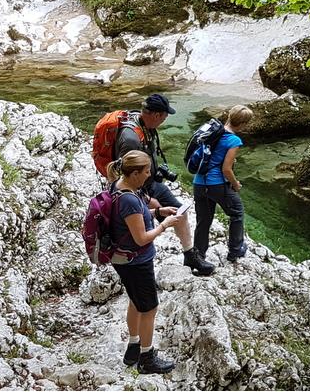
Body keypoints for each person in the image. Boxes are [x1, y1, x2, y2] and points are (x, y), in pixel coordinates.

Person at [115, 94, 215, 276]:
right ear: (155, 115)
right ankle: (139, 267)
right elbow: (125, 176)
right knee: (145, 223)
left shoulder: (145, 127)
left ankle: (190, 255)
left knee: (180, 212)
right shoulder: (131, 138)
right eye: (164, 116)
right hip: (137, 191)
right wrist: (146, 199)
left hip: (150, 183)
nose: (165, 119)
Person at [106, 150, 177, 374]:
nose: (149, 175)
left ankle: (133, 346)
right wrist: (165, 224)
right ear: (135, 173)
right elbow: (142, 238)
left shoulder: (119, 186)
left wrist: (158, 211)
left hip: (124, 259)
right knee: (150, 308)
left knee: (135, 300)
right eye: (146, 171)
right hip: (137, 262)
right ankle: (147, 358)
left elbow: (135, 218)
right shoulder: (129, 199)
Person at [193, 105, 254, 264]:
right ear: (242, 124)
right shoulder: (234, 140)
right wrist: (236, 184)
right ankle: (235, 250)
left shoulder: (213, 133)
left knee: (203, 221)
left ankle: (198, 257)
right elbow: (226, 169)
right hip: (216, 184)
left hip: (199, 182)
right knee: (237, 213)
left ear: (228, 117)